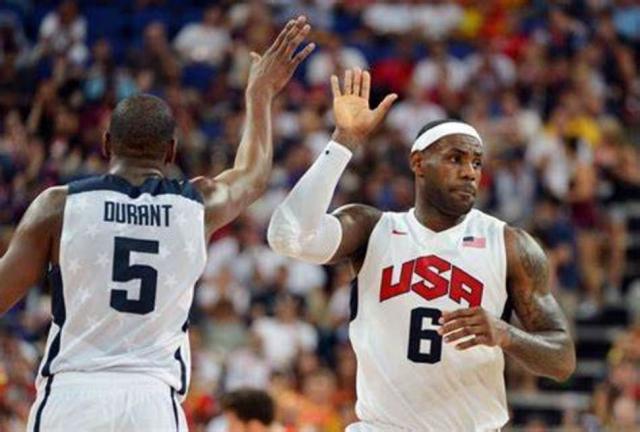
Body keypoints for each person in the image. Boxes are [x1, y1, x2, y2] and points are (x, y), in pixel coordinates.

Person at [0, 16, 314, 432]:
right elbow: (253, 177)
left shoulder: (58, 206)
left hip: (74, 394)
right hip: (153, 401)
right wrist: (259, 95)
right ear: (171, 151)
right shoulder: (195, 206)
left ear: (107, 144)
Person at [267, 68, 576, 431]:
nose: (469, 172)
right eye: (455, 158)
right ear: (418, 164)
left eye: (476, 162)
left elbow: (562, 360)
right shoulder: (372, 229)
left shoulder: (510, 244)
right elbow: (287, 236)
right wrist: (343, 141)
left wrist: (507, 334)